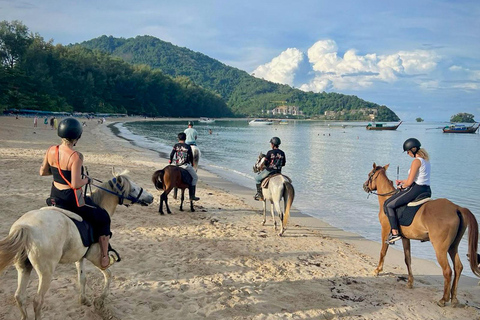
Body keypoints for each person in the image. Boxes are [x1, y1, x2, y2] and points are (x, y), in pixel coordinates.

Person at [39, 118, 113, 269]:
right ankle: (104, 256)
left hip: (55, 195)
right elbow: (75, 184)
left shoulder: (51, 150)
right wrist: (87, 180)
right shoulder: (76, 156)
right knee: (103, 217)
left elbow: (43, 172)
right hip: (70, 199)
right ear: (77, 136)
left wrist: (58, 175)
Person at [384, 138, 431, 244]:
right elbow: (417, 178)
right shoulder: (426, 160)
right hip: (426, 189)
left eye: (408, 152)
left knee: (388, 204)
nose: (408, 154)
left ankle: (395, 233)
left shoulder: (416, 161)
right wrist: (402, 181)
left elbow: (409, 183)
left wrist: (402, 186)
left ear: (413, 150)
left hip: (417, 189)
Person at [169, 132, 200, 201]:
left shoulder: (176, 145)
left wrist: (170, 161)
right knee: (195, 177)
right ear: (185, 139)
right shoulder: (188, 146)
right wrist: (192, 164)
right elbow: (191, 157)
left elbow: (171, 154)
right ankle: (192, 195)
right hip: (185, 165)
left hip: (176, 165)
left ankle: (175, 194)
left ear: (178, 139)